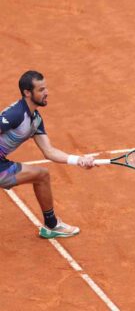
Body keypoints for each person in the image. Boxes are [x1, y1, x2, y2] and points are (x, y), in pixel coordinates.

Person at [0, 70, 95, 238]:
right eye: (41, 89)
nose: (47, 93)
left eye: (46, 88)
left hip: (2, 164)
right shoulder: (15, 114)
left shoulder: (35, 119)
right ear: (27, 93)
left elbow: (49, 151)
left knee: (41, 175)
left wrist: (78, 160)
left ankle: (52, 226)